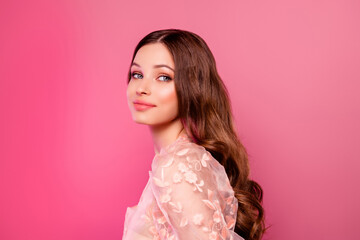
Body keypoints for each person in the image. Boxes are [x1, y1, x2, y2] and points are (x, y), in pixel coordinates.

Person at [123, 29, 265, 240]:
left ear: (192, 87)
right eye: (137, 74)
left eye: (163, 77)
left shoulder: (177, 166)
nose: (142, 88)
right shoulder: (179, 160)